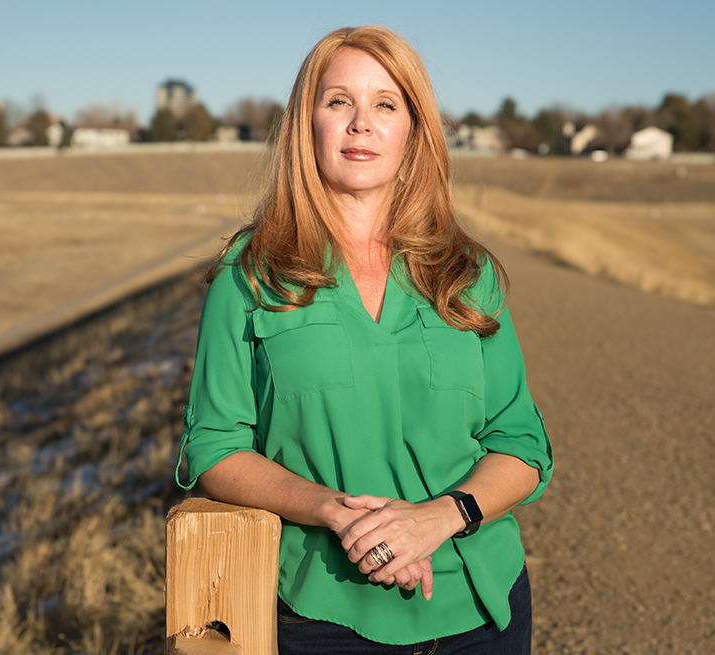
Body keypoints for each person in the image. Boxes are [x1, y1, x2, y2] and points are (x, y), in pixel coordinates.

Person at [178, 25, 553, 654]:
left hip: (483, 615)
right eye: (337, 101)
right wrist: (336, 512)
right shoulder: (249, 275)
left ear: (413, 132)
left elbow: (522, 445)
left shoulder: (468, 273)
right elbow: (214, 448)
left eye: (386, 103)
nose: (361, 123)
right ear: (307, 124)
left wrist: (435, 519)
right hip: (322, 617)